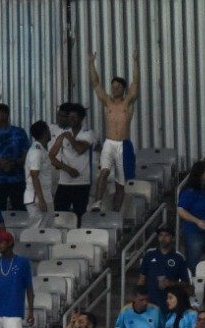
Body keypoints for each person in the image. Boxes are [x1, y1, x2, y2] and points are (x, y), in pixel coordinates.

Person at [87, 50, 140, 212]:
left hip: (123, 145)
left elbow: (136, 83)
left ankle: (116, 212)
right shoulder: (107, 102)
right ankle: (97, 202)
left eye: (118, 87)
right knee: (103, 172)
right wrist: (91, 63)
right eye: (113, 87)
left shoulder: (128, 103)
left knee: (120, 183)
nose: (114, 89)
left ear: (123, 89)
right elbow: (96, 83)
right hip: (109, 143)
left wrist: (135, 61)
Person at [49, 103, 94, 224]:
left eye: (75, 117)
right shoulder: (62, 134)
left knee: (80, 215)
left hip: (82, 182)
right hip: (64, 182)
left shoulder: (88, 133)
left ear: (81, 118)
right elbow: (51, 156)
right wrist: (67, 169)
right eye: (70, 117)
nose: (72, 120)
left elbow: (80, 149)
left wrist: (70, 138)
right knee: (58, 214)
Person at [177, 160, 205, 270]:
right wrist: (197, 221)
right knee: (192, 263)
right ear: (199, 174)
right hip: (194, 233)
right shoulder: (190, 191)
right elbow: (181, 210)